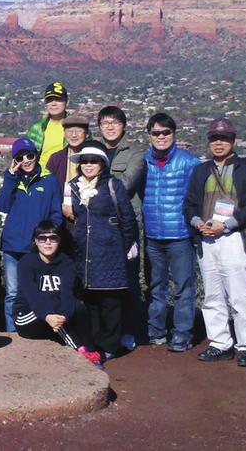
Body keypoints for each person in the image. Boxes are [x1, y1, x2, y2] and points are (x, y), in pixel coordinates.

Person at [184, 117, 246, 367]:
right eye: (214, 139)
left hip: (234, 238)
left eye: (224, 138)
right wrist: (197, 222)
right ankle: (220, 343)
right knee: (212, 296)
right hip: (207, 239)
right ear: (209, 142)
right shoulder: (201, 170)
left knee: (240, 296)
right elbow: (189, 204)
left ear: (233, 141)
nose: (219, 143)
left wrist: (227, 224)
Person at [68, 141, 138, 360]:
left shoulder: (112, 185)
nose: (88, 165)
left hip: (110, 250)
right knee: (90, 300)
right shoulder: (73, 186)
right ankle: (93, 343)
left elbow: (127, 218)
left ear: (102, 164)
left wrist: (126, 245)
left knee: (110, 301)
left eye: (93, 161)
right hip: (84, 251)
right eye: (85, 161)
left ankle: (109, 344)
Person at [141, 112, 200, 352]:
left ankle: (182, 334)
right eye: (156, 133)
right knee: (156, 288)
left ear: (173, 134)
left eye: (166, 132)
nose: (161, 137)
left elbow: (200, 196)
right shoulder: (143, 161)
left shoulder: (189, 162)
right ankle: (156, 332)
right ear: (149, 135)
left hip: (180, 235)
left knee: (184, 288)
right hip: (152, 235)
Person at [0, 137, 64, 332]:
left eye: (30, 155)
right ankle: (13, 333)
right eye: (19, 157)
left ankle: (36, 331)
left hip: (37, 248)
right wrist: (10, 176)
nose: (25, 160)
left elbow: (56, 213)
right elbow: (2, 205)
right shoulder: (12, 180)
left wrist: (48, 237)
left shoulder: (49, 181)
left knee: (37, 292)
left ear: (37, 155)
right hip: (12, 246)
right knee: (12, 293)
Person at [13, 223, 102, 368]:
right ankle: (81, 350)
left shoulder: (66, 263)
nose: (48, 242)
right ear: (35, 241)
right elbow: (32, 295)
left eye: (53, 238)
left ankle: (87, 348)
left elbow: (67, 294)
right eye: (42, 238)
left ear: (59, 241)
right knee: (52, 303)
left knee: (78, 306)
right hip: (28, 317)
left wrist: (64, 316)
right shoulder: (26, 263)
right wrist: (48, 315)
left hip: (56, 316)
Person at [97, 105, 146, 349]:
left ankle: (132, 331)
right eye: (105, 123)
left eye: (114, 122)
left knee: (129, 279)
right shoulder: (94, 151)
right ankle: (108, 334)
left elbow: (126, 186)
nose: (110, 127)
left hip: (126, 225)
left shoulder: (135, 153)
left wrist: (97, 184)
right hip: (100, 225)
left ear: (123, 126)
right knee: (104, 281)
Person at [27, 81, 70, 168]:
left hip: (68, 178)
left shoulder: (78, 127)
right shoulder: (37, 129)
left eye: (58, 99)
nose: (53, 104)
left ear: (67, 102)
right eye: (49, 100)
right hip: (41, 178)